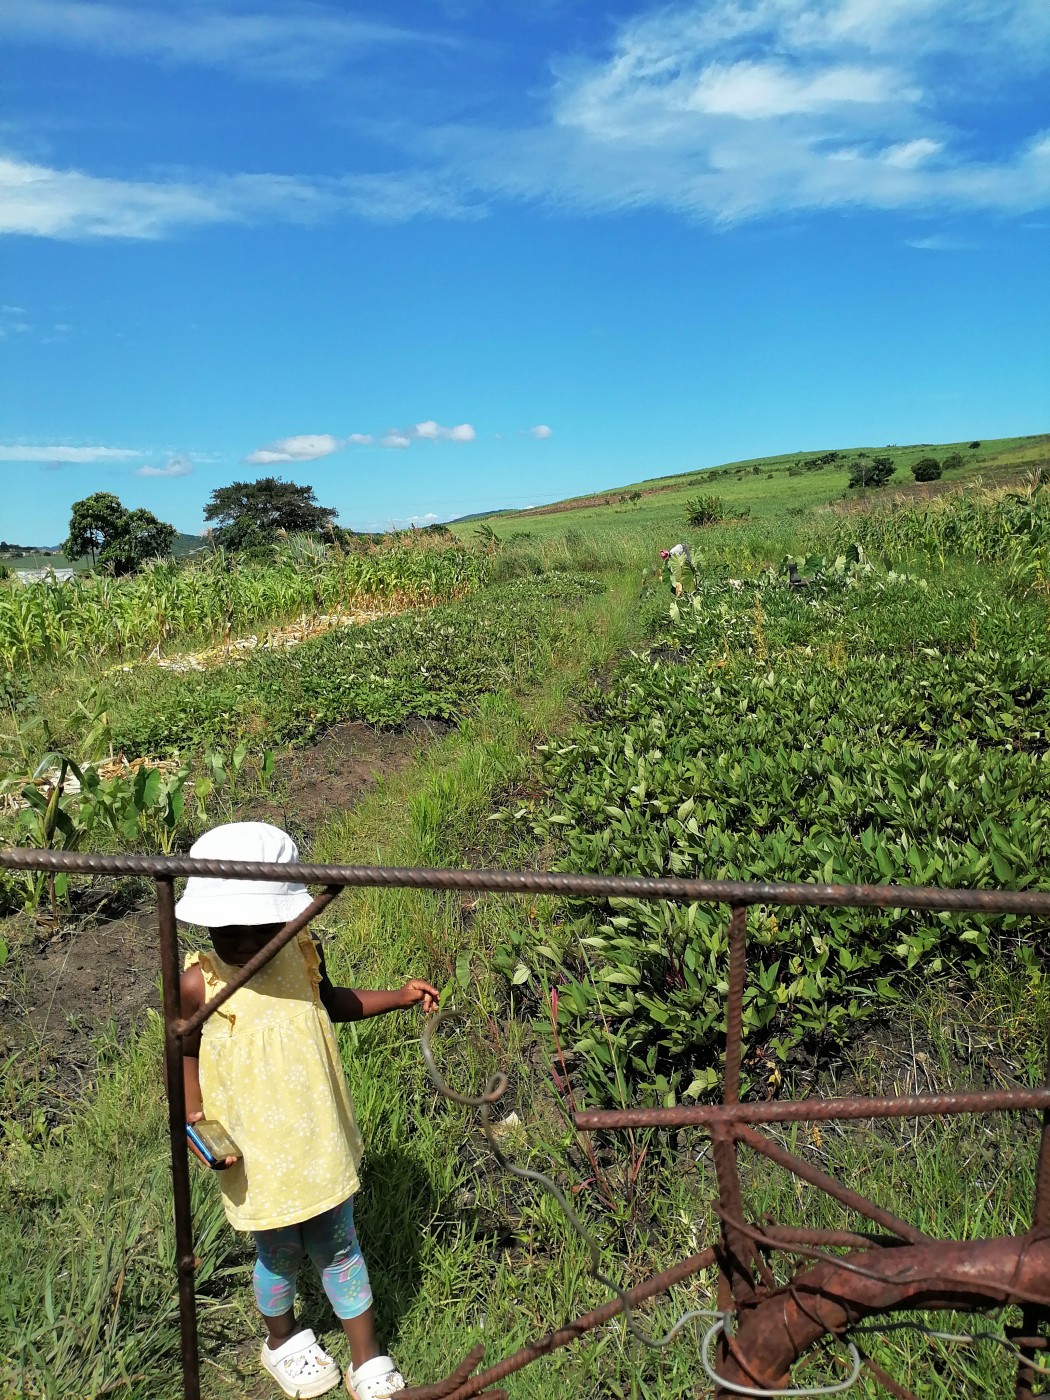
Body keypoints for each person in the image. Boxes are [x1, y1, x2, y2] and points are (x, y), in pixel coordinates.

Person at [172, 821, 439, 1400]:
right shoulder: (199, 983)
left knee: (341, 1245)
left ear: (289, 915)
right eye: (226, 927)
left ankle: (366, 1358)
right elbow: (185, 1050)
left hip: (318, 1134)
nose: (243, 940)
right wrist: (195, 1120)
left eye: (259, 923)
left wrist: (398, 996)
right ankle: (283, 1341)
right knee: (278, 1251)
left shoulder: (299, 954)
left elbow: (333, 1001)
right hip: (254, 1147)